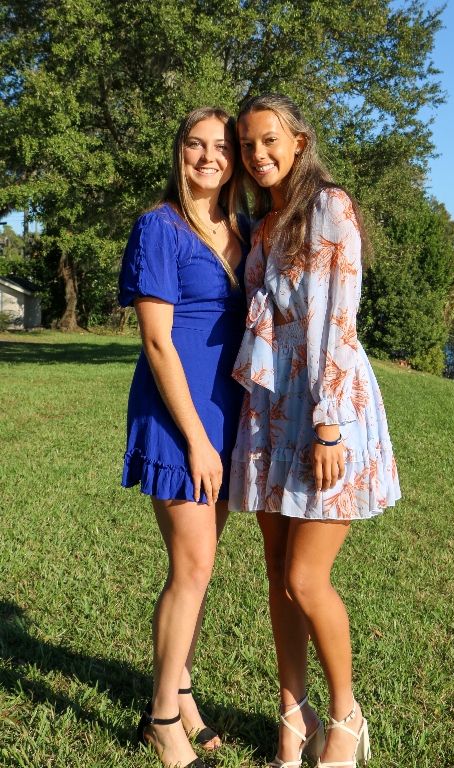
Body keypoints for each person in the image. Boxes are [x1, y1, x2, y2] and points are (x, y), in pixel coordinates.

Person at [229, 94, 401, 768]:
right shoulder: (261, 226)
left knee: (305, 576)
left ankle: (346, 714)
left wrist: (329, 424)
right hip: (273, 410)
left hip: (327, 408)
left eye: (269, 140)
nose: (257, 154)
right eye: (247, 144)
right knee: (276, 573)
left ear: (298, 141)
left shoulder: (329, 207)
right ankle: (291, 718)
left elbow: (337, 319)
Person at [118, 106, 249, 768]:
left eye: (221, 147)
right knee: (191, 567)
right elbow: (156, 341)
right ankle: (161, 718)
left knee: (203, 567)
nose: (208, 157)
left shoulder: (241, 229)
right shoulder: (159, 227)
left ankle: (183, 691)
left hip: (227, 415)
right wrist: (196, 439)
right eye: (196, 145)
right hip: (180, 418)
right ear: (179, 151)